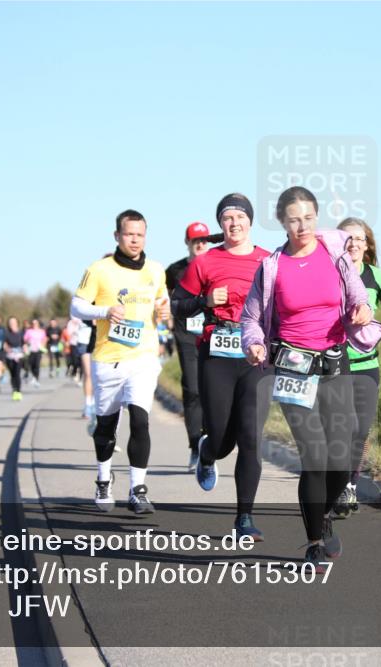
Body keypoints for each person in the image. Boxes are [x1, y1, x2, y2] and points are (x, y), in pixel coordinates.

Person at [241, 186, 381, 571]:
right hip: (291, 368)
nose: (301, 225)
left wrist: (361, 310)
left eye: (308, 217)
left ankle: (324, 514)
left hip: (334, 364)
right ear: (282, 222)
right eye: (293, 219)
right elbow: (251, 318)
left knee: (341, 455)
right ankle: (315, 541)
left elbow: (360, 298)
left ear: (316, 218)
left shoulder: (334, 255)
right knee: (314, 456)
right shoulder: (272, 266)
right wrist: (254, 344)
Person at [175, 196, 272, 539]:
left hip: (256, 360)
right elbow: (178, 305)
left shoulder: (268, 260)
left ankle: (244, 518)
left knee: (250, 438)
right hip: (217, 356)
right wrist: (204, 300)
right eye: (227, 218)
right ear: (221, 224)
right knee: (221, 439)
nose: (234, 223)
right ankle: (207, 451)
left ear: (250, 222)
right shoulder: (206, 261)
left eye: (240, 216)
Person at [71, 209, 169, 514]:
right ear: (117, 236)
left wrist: (164, 312)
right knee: (106, 427)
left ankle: (138, 489)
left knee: (140, 420)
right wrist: (104, 311)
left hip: (143, 357)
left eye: (140, 234)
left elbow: (161, 302)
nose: (135, 240)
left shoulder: (155, 270)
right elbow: (76, 306)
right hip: (108, 359)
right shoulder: (99, 270)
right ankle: (103, 477)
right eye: (129, 234)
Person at [333, 218, 381, 518]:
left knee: (360, 430)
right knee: (340, 429)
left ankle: (349, 486)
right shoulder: (331, 273)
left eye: (359, 238)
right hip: (333, 363)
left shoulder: (375, 275)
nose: (353, 243)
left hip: (367, 364)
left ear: (367, 246)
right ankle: (335, 484)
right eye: (347, 238)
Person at [166, 221, 211, 471]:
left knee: (213, 391)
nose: (200, 244)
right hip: (186, 337)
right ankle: (195, 445)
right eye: (196, 241)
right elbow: (162, 296)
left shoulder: (217, 263)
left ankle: (210, 440)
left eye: (204, 240)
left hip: (215, 336)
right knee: (193, 389)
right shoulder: (174, 271)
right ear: (188, 243)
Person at [4, 316, 25, 401]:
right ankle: (14, 390)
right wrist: (6, 348)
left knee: (17, 373)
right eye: (10, 322)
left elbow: (24, 343)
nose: (12, 324)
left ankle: (18, 391)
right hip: (10, 356)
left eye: (13, 322)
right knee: (12, 374)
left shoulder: (21, 333)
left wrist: (24, 348)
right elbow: (4, 344)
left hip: (19, 356)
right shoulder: (6, 333)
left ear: (17, 323)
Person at [24, 319, 47, 388]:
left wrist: (43, 345)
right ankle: (33, 376)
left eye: (36, 323)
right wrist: (27, 343)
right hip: (31, 350)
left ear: (38, 324)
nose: (34, 324)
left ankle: (36, 379)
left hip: (38, 350)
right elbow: (25, 339)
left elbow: (44, 339)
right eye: (33, 323)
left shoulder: (41, 331)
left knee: (37, 365)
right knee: (31, 364)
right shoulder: (28, 331)